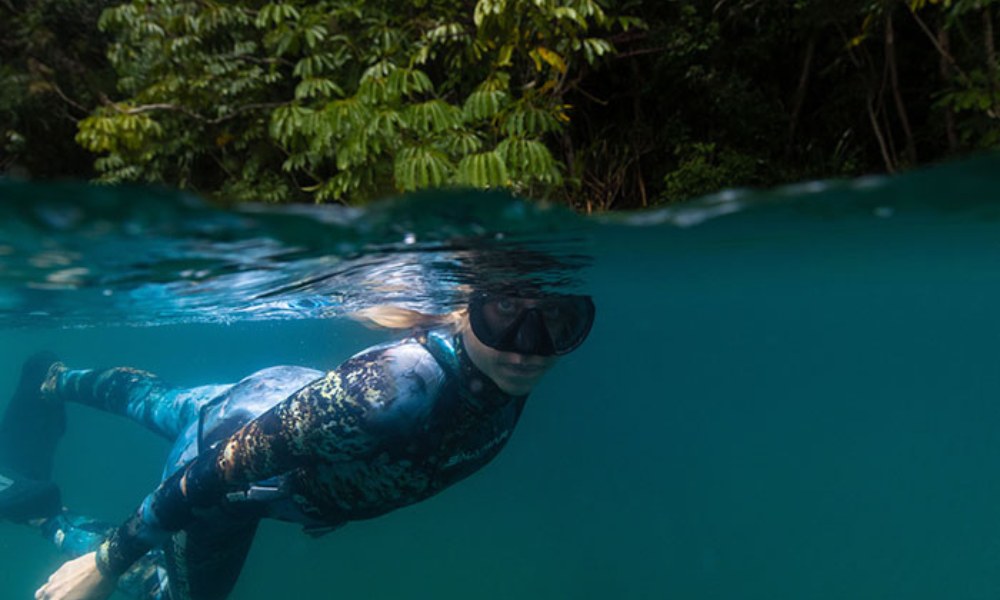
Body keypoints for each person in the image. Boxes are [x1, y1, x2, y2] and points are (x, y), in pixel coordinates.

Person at [0, 291, 595, 600]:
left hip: (262, 399)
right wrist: (106, 562)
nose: (527, 347)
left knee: (162, 401)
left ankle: (53, 379)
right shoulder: (394, 391)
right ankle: (49, 520)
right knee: (162, 590)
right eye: (504, 318)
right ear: (468, 315)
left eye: (558, 324)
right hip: (227, 475)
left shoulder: (496, 368)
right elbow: (215, 474)